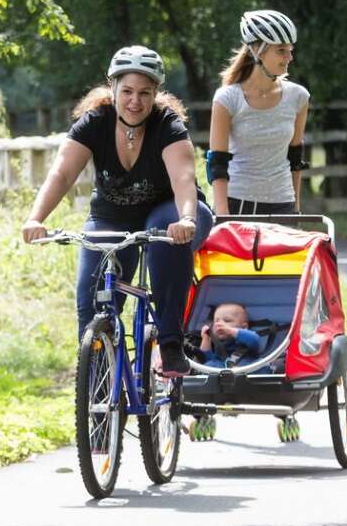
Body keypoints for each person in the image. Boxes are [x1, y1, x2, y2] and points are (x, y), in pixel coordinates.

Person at [21, 45, 214, 377]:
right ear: (112, 89)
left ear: (156, 94)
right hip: (112, 216)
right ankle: (97, 390)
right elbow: (62, 174)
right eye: (127, 91)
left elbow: (183, 177)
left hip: (170, 212)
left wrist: (187, 219)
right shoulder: (94, 122)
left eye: (145, 93)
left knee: (164, 235)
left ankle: (170, 343)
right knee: (91, 301)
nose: (135, 101)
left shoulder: (167, 125)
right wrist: (36, 218)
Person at [205, 9, 311, 215]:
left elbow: (295, 157)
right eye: (281, 50)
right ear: (257, 50)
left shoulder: (298, 97)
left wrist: (296, 208)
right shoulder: (227, 98)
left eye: (290, 50)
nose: (289, 57)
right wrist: (223, 214)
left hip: (283, 204)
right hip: (237, 203)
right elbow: (217, 162)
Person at [196, 303, 262, 368]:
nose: (219, 324)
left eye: (227, 321)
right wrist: (206, 339)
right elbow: (205, 359)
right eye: (216, 321)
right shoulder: (218, 344)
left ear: (244, 327)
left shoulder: (247, 338)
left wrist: (229, 330)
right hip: (223, 368)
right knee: (208, 365)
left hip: (247, 366)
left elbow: (254, 339)